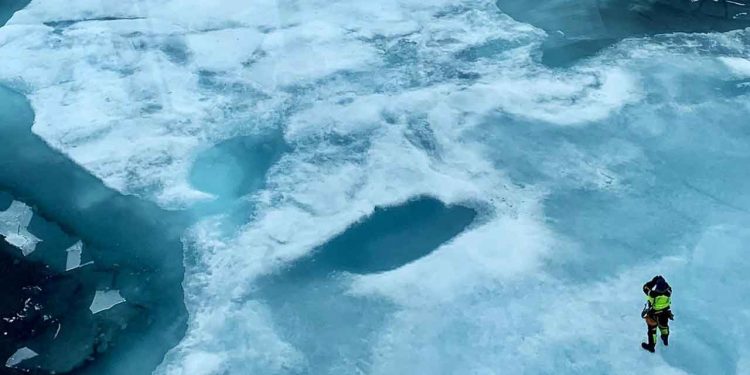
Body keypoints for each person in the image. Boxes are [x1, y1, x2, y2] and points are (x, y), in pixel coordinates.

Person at [641, 275, 674, 353]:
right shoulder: (669, 291)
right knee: (664, 327)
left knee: (652, 330)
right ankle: (665, 338)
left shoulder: (652, 294)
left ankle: (651, 346)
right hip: (665, 313)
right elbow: (667, 286)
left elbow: (645, 287)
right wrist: (661, 280)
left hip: (653, 315)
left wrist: (654, 280)